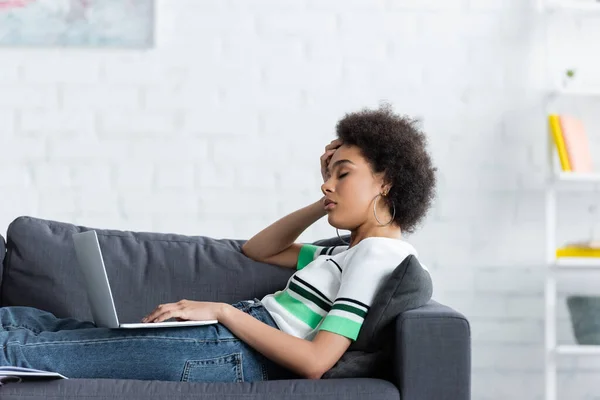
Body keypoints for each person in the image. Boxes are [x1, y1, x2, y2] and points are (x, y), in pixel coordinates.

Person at [0, 104, 436, 382]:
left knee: (17, 348)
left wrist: (223, 312)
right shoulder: (345, 251)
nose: (328, 184)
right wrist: (323, 198)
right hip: (222, 341)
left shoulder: (379, 254)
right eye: (327, 174)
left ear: (386, 182)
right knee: (21, 319)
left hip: (228, 351)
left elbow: (316, 361)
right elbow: (259, 251)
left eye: (343, 173)